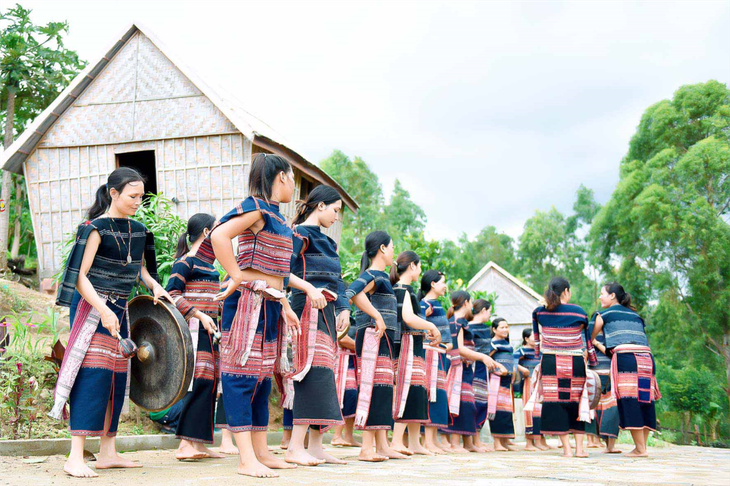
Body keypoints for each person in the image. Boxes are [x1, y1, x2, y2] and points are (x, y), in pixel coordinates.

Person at [51, 167, 172, 478]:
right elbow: (79, 277)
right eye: (132, 196)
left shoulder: (139, 230)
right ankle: (75, 456)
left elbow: (141, 270)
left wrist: (154, 286)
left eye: (141, 197)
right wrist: (102, 309)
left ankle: (108, 452)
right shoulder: (94, 229)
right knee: (92, 378)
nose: (137, 202)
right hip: (93, 308)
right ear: (113, 193)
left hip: (120, 309)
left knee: (116, 381)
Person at [202, 153, 301, 478]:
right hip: (247, 304)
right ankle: (246, 459)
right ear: (283, 177)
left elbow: (278, 272)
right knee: (241, 377)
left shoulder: (276, 217)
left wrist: (285, 305)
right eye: (292, 179)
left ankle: (261, 452)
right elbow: (218, 235)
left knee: (260, 379)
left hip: (271, 304)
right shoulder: (255, 208)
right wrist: (236, 275)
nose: (293, 186)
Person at [284, 185, 350, 466]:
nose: (337, 216)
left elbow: (338, 281)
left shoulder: (330, 243)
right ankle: (294, 447)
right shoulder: (298, 234)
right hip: (305, 309)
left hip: (328, 311)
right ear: (320, 206)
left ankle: (316, 447)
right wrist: (309, 288)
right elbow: (281, 271)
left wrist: (345, 308)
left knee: (324, 375)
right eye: (335, 210)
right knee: (308, 373)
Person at [166, 213, 226, 460]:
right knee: (197, 382)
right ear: (206, 233)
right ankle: (184, 446)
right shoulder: (185, 262)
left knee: (209, 384)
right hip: (192, 330)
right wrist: (198, 315)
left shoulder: (210, 266)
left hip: (210, 332)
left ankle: (199, 444)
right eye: (217, 229)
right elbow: (171, 294)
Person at [345, 231, 404, 462]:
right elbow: (352, 292)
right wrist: (377, 316)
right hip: (372, 337)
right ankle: (366, 448)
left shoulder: (382, 277)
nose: (393, 252)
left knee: (383, 389)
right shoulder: (372, 275)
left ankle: (383, 445)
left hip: (383, 340)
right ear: (381, 249)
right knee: (372, 387)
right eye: (391, 247)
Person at [530, 277, 597, 458]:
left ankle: (566, 449)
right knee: (577, 401)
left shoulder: (540, 312)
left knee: (555, 403)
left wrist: (538, 353)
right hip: (575, 361)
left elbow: (537, 339)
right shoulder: (579, 312)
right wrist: (592, 358)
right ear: (566, 291)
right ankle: (580, 449)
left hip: (551, 361)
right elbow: (588, 340)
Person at [592, 282, 660, 458]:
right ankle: (642, 447)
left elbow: (587, 336)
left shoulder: (604, 314)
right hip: (646, 359)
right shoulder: (635, 316)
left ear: (612, 296)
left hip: (627, 359)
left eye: (602, 294)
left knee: (630, 400)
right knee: (644, 399)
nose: (600, 297)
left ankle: (640, 449)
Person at [389, 251, 442, 456]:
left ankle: (414, 442)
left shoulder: (403, 289)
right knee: (406, 389)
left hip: (414, 343)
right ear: (412, 266)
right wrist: (431, 326)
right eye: (419, 266)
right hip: (407, 343)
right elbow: (408, 318)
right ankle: (396, 441)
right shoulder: (402, 289)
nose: (420, 270)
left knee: (416, 391)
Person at [443, 292, 500, 453]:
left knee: (468, 404)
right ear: (467, 302)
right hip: (458, 367)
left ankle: (468, 443)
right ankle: (455, 443)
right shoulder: (456, 322)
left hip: (467, 367)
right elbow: (459, 348)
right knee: (459, 403)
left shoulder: (461, 321)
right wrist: (482, 357)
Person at [419, 270, 452, 454]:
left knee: (438, 396)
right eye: (442, 282)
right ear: (433, 284)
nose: (445, 286)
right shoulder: (424, 304)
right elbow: (421, 328)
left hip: (440, 355)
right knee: (431, 395)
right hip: (431, 354)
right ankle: (427, 441)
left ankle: (433, 439)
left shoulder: (437, 304)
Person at [585, 313, 620, 453]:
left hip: (610, 375)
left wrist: (596, 343)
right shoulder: (586, 337)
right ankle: (591, 441)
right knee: (591, 409)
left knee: (612, 409)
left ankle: (610, 445)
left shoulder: (611, 336)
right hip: (593, 375)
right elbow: (585, 353)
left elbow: (612, 354)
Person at [486, 318, 523, 451]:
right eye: (502, 327)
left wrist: (513, 371)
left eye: (506, 327)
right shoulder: (493, 344)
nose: (505, 329)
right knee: (497, 410)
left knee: (507, 410)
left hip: (508, 380)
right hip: (496, 379)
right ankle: (497, 442)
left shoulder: (508, 345)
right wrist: (496, 369)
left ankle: (505, 440)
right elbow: (486, 358)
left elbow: (511, 360)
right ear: (494, 329)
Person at [514, 328, 550, 451]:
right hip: (528, 383)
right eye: (534, 337)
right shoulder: (521, 351)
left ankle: (541, 439)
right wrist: (522, 369)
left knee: (541, 411)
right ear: (526, 338)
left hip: (540, 384)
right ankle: (529, 442)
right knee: (530, 412)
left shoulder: (541, 351)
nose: (537, 339)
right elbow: (512, 362)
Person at [331, 322, 361, 447]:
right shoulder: (340, 315)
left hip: (353, 361)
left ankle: (349, 436)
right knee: (344, 395)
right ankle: (336, 435)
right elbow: (341, 338)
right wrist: (362, 347)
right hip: (342, 360)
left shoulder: (352, 318)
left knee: (353, 398)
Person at [469, 299, 494, 452]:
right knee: (474, 402)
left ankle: (476, 439)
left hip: (484, 368)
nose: (489, 315)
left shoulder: (486, 329)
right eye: (489, 311)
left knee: (482, 402)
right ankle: (473, 441)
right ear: (483, 310)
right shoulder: (468, 328)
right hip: (473, 367)